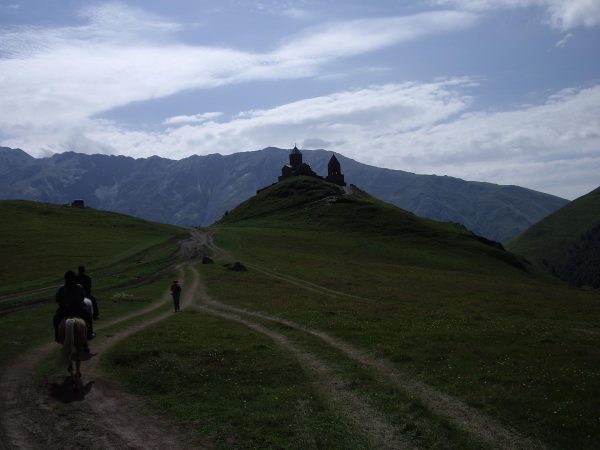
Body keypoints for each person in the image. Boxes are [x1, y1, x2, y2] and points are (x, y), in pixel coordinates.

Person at [53, 270, 94, 342]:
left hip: (65, 310)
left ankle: (57, 336)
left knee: (56, 319)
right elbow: (82, 297)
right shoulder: (79, 287)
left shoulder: (62, 288)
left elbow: (58, 299)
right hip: (78, 309)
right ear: (74, 278)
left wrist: (64, 304)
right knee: (88, 317)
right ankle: (90, 333)